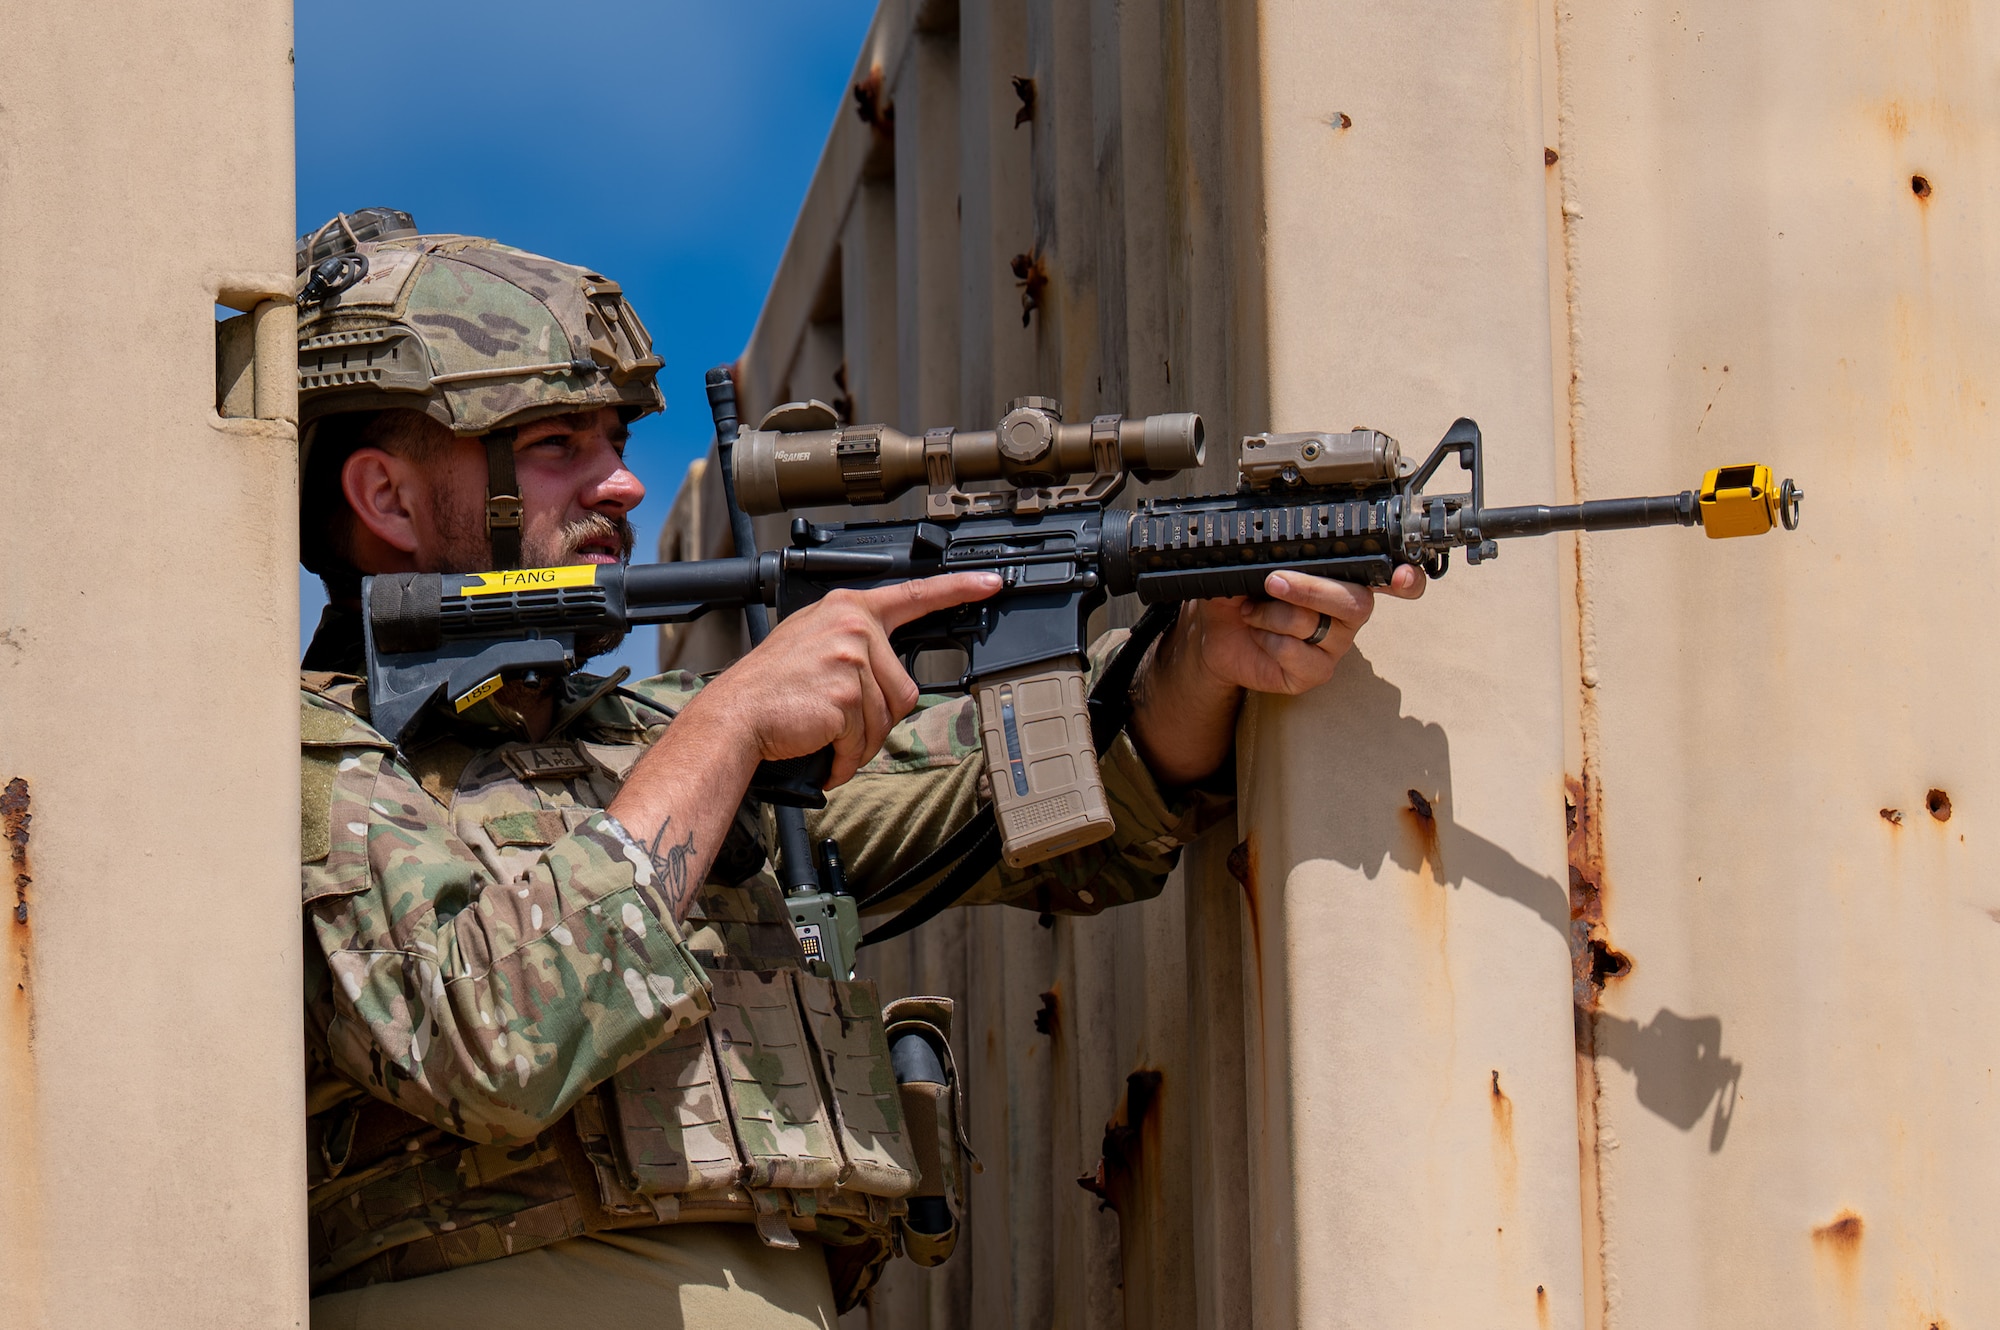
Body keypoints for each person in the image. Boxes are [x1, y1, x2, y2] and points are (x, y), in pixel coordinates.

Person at [288, 210, 1421, 1329]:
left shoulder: (646, 743)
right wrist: (727, 725)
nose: (623, 486)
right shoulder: (307, 752)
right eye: (555, 446)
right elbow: (489, 1043)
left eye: (617, 442)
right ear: (385, 497)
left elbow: (1020, 796)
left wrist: (1203, 650)